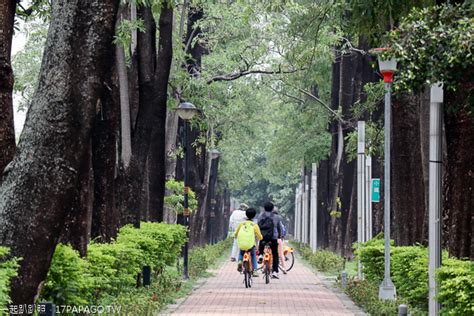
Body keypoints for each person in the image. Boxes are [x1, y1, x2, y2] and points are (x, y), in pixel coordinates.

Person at [234, 208, 262, 277]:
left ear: (246, 214)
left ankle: (240, 261)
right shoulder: (254, 225)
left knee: (241, 253)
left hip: (242, 244)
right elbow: (259, 236)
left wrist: (235, 236)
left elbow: (235, 234)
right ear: (254, 216)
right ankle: (255, 270)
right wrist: (260, 238)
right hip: (250, 244)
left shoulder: (241, 224)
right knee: (253, 256)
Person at [257, 201, 282, 279]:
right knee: (275, 254)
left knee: (261, 243)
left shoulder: (260, 216)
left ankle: (261, 254)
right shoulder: (276, 217)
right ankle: (275, 271)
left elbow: (258, 226)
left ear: (264, 208)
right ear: (272, 208)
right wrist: (279, 236)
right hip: (273, 238)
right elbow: (279, 228)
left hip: (263, 237)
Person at [273, 208, 287, 274]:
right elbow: (282, 230)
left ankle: (265, 267)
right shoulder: (279, 221)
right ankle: (284, 268)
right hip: (277, 239)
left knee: (266, 252)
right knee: (281, 254)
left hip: (268, 239)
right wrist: (281, 237)